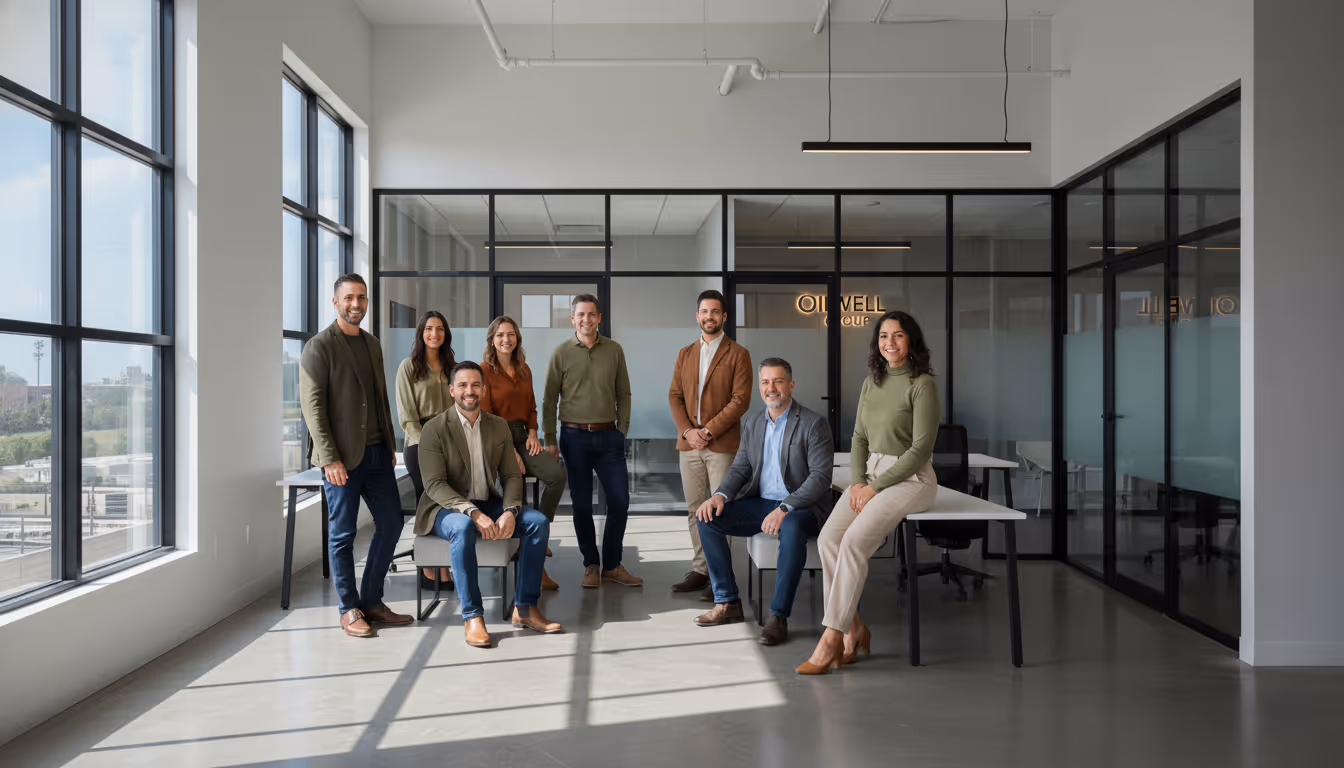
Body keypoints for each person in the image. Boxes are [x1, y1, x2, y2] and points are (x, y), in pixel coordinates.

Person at [798, 310, 940, 675]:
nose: (889, 342)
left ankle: (832, 637)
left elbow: (921, 448)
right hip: (870, 476)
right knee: (829, 538)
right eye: (883, 336)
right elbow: (859, 437)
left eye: (897, 335)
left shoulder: (922, 383)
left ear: (911, 341)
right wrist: (859, 482)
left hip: (911, 480)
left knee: (855, 541)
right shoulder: (870, 382)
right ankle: (855, 626)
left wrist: (875, 486)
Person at [414, 361, 562, 648]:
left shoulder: (498, 426)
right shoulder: (434, 429)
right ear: (451, 390)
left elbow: (510, 475)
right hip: (445, 508)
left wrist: (510, 510)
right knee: (463, 526)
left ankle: (525, 608)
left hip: (488, 502)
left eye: (475, 385)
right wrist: (473, 512)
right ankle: (472, 616)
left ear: (483, 389)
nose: (469, 391)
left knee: (537, 523)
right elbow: (434, 484)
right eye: (463, 385)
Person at [300, 273, 411, 638]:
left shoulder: (372, 344)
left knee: (392, 523)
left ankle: (373, 601)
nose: (356, 304)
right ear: (335, 302)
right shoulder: (319, 346)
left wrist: (390, 445)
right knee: (343, 534)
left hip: (378, 453)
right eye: (349, 297)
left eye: (361, 298)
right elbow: (313, 406)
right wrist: (329, 457)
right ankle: (349, 609)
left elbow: (379, 397)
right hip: (340, 460)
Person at [693, 358, 834, 646]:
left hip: (802, 508)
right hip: (761, 503)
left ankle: (778, 616)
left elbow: (820, 478)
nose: (771, 388)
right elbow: (741, 467)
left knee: (792, 527)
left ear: (791, 385)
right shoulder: (755, 422)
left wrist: (785, 508)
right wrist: (719, 495)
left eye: (778, 381)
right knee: (706, 518)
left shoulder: (813, 423)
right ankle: (727, 602)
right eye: (766, 382)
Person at [542, 294, 642, 589]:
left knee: (620, 502)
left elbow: (624, 393)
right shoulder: (561, 352)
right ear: (572, 318)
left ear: (599, 318)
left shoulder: (614, 350)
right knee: (582, 506)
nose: (586, 319)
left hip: (608, 436)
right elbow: (549, 400)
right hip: (574, 438)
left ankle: (612, 564)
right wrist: (550, 439)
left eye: (592, 314)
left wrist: (621, 429)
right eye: (580, 315)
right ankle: (591, 564)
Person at [668, 290, 753, 597]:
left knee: (720, 510)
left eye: (715, 312)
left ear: (724, 316)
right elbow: (674, 396)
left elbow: (740, 401)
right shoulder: (685, 353)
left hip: (721, 445)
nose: (709, 317)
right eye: (704, 311)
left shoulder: (738, 354)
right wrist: (689, 432)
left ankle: (720, 576)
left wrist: (708, 431)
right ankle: (700, 571)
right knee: (694, 509)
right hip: (689, 445)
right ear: (697, 316)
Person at [480, 315, 564, 591]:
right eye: (501, 335)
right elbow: (487, 415)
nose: (507, 339)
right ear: (492, 340)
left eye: (511, 334)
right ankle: (525, 559)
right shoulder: (484, 370)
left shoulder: (524, 368)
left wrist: (532, 434)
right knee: (512, 488)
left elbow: (531, 407)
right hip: (495, 438)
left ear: (517, 338)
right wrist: (507, 451)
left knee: (556, 476)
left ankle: (541, 534)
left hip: (522, 435)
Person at [394, 310, 455, 591]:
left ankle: (446, 563)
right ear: (421, 333)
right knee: (427, 503)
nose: (435, 334)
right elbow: (407, 417)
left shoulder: (451, 367)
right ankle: (428, 565)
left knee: (448, 505)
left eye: (440, 329)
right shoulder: (408, 367)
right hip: (419, 445)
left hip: (451, 446)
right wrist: (429, 446)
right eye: (429, 328)